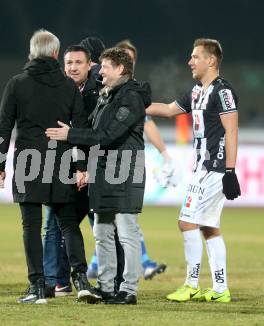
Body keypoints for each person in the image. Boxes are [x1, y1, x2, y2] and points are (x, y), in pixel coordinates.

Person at [0, 29, 98, 304]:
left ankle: (38, 286)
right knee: (67, 223)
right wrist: (81, 166)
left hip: (28, 160)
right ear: (55, 54)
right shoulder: (68, 87)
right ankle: (81, 279)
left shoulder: (16, 84)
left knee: (31, 226)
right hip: (61, 160)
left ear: (32, 52)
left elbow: (4, 126)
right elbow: (79, 128)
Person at [46, 47, 152, 304]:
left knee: (127, 232)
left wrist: (70, 134)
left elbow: (107, 136)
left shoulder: (132, 98)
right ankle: (106, 286)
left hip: (126, 171)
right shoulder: (108, 95)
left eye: (104, 67)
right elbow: (90, 128)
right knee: (102, 231)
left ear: (121, 69)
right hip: (104, 171)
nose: (99, 71)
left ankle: (128, 290)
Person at [146, 38, 240, 303]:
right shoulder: (197, 91)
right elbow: (166, 110)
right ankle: (220, 289)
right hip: (203, 168)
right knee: (210, 227)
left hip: (214, 168)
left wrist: (230, 171)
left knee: (186, 222)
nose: (190, 61)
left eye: (195, 56)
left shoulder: (223, 91)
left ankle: (191, 284)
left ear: (211, 60)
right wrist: (133, 101)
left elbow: (231, 130)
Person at [114, 39, 172, 280]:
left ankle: (138, 263)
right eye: (124, 60)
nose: (129, 65)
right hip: (101, 162)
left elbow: (149, 123)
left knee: (121, 217)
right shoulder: (105, 89)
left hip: (126, 162)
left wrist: (165, 154)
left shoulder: (133, 92)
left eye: (132, 61)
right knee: (110, 220)